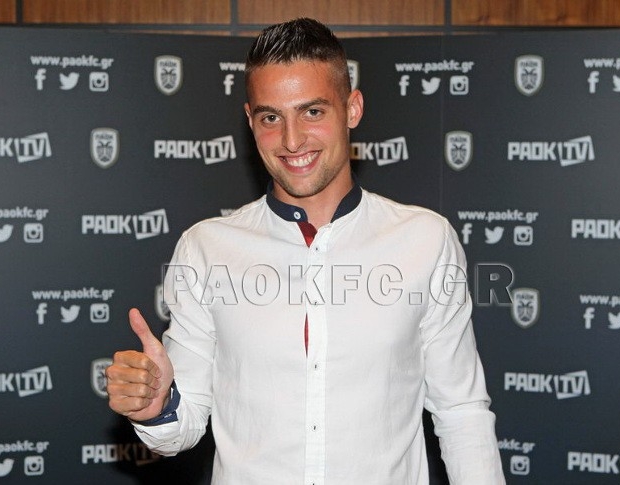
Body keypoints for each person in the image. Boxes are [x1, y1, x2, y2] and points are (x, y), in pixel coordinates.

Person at [106, 18, 505, 484]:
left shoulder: (426, 240)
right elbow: (182, 424)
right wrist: (156, 407)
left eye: (312, 112)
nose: (292, 140)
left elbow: (461, 412)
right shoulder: (206, 249)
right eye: (271, 118)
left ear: (352, 108)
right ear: (250, 120)